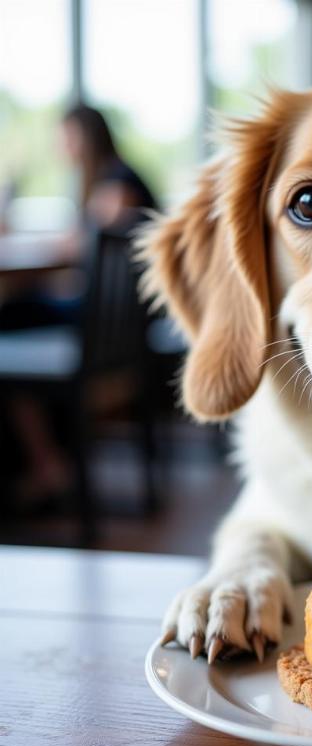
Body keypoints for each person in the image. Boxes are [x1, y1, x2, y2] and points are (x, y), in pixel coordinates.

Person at [0, 104, 157, 511]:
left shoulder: (118, 182)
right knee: (18, 309)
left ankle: (46, 465)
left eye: (65, 135)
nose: (61, 145)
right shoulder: (105, 180)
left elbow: (88, 241)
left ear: (85, 136)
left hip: (112, 326)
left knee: (11, 315)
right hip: (117, 324)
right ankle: (47, 459)